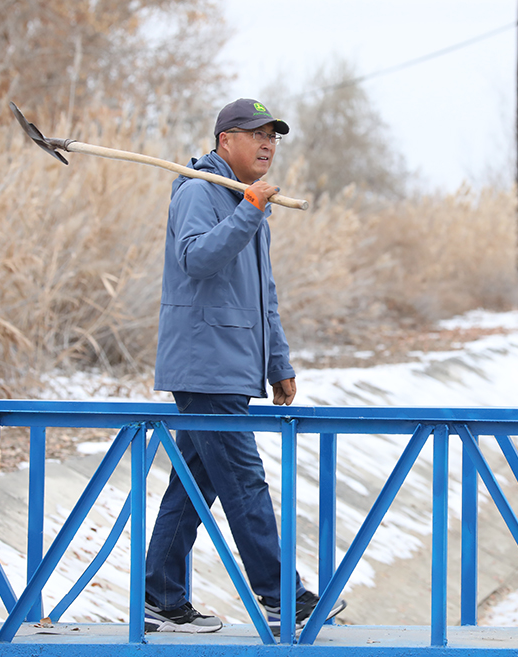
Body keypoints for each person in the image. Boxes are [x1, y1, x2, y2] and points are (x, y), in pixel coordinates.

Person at [144, 98, 341, 634]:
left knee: (193, 486)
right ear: (224, 140)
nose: (267, 144)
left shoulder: (244, 201)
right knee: (244, 480)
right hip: (205, 365)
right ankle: (282, 598)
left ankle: (160, 598)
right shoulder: (198, 191)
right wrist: (248, 211)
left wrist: (278, 362)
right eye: (256, 134)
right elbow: (195, 259)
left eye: (273, 137)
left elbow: (262, 296)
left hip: (230, 368)